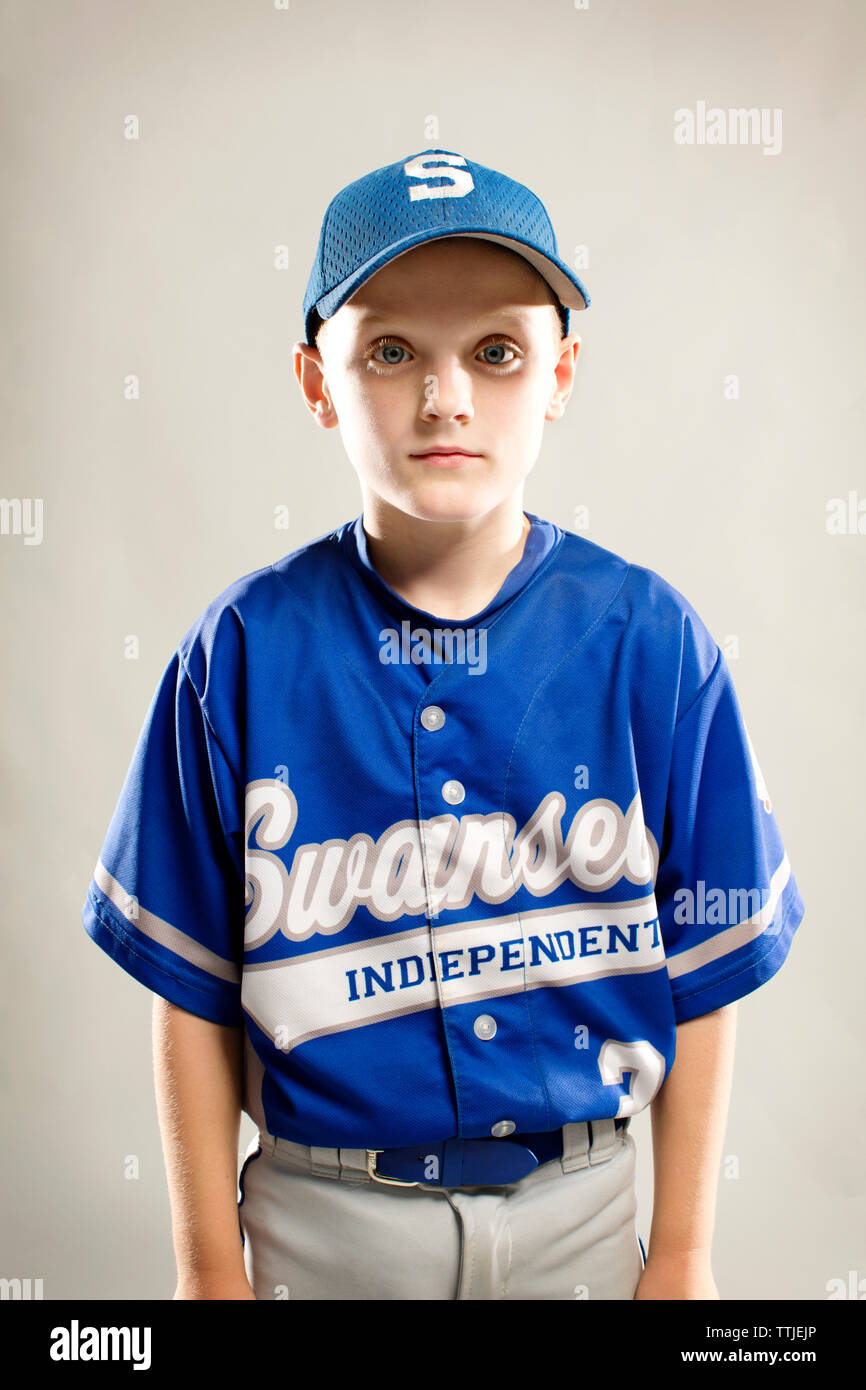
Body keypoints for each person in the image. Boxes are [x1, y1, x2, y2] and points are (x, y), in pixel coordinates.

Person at [82, 148, 804, 1301]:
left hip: (582, 1209)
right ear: (316, 380)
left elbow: (701, 975)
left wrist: (679, 1254)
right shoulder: (237, 656)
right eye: (390, 351)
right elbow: (192, 995)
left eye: (496, 352)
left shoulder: (649, 640)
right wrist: (207, 1274)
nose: (445, 396)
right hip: (322, 1224)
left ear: (560, 372)